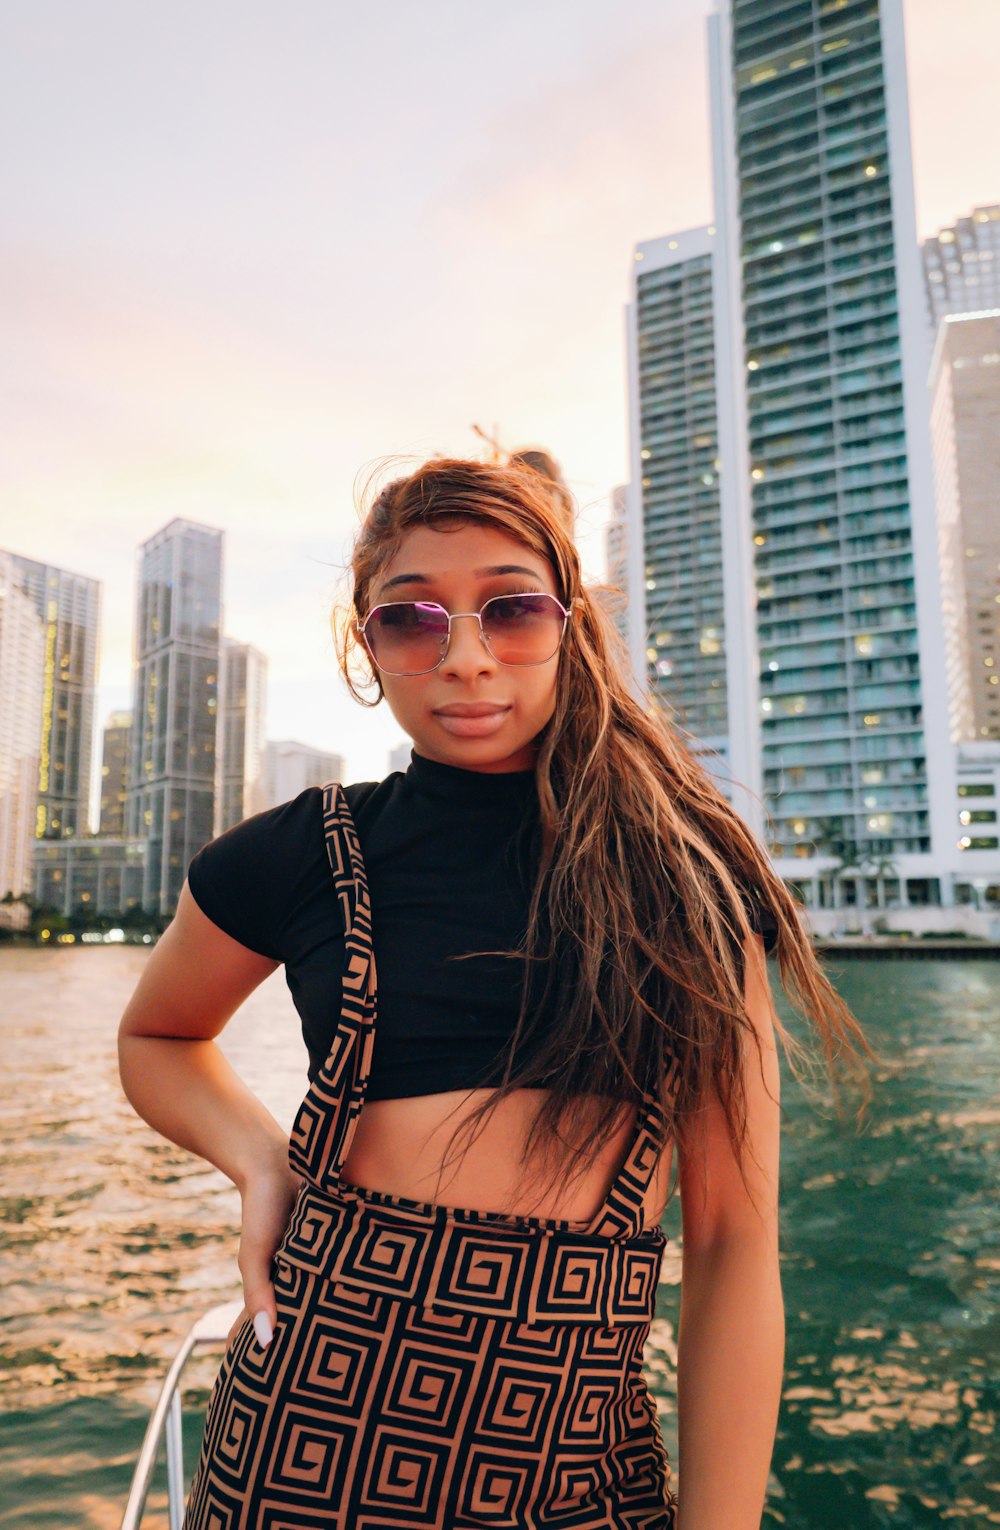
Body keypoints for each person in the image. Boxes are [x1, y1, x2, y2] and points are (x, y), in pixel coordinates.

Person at [118, 454, 876, 1529]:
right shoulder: (302, 850)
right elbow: (158, 1032)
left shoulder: (686, 873)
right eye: (413, 620)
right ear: (366, 645)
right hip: (299, 1452)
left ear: (568, 624)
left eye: (509, 609)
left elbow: (731, 1243)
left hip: (574, 1476)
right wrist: (261, 1163)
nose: (465, 658)